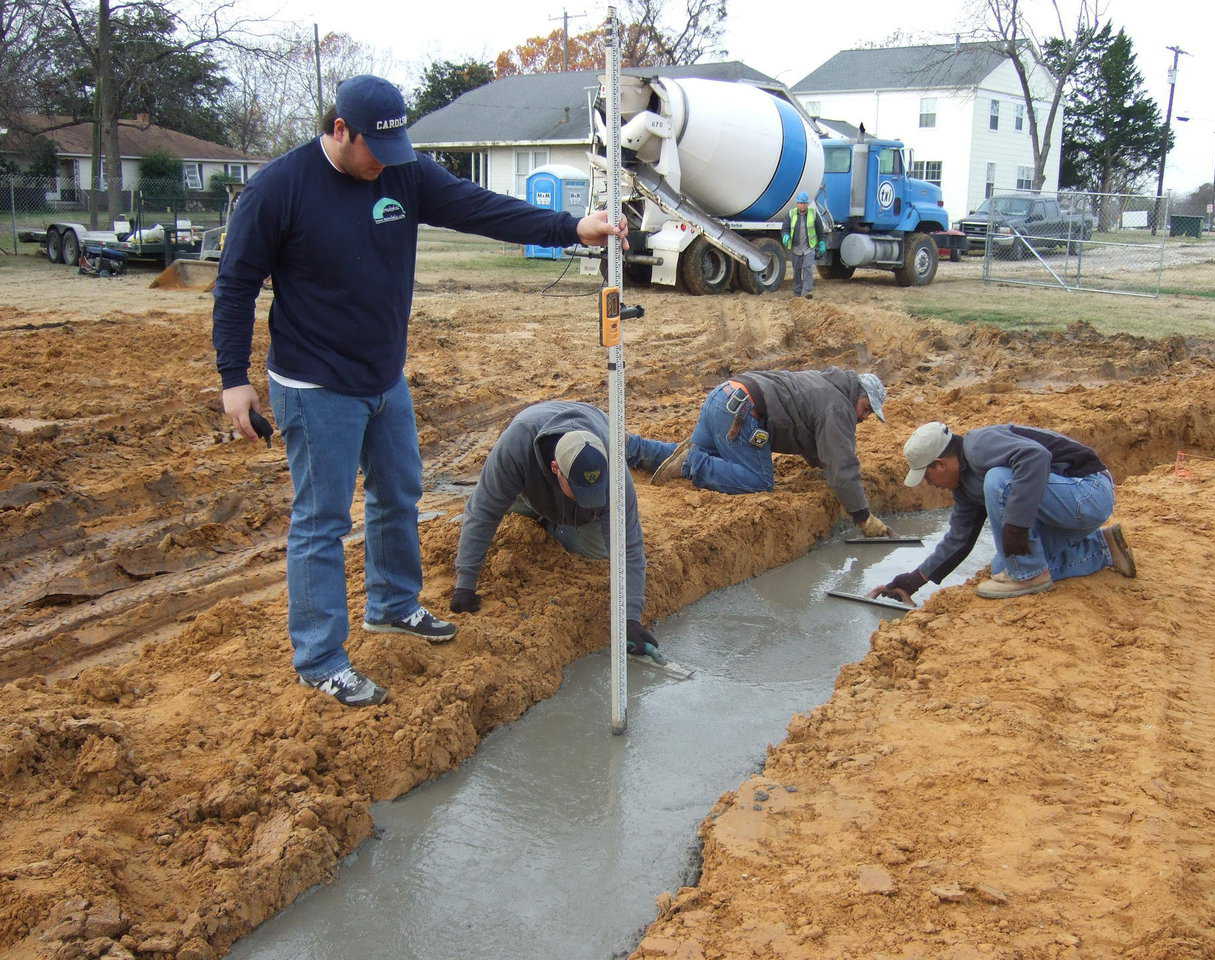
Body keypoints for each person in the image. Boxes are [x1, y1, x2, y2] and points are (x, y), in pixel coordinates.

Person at [212, 75, 627, 708]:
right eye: (375, 150)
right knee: (322, 521)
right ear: (340, 130)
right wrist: (233, 380)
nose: (386, 162)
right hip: (314, 382)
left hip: (383, 375)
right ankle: (320, 659)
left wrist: (571, 227)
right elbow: (236, 284)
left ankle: (393, 604)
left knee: (398, 491)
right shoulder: (279, 189)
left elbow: (480, 208)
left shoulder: (400, 173)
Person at [449, 401, 659, 656]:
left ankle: (556, 522)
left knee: (599, 549)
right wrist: (465, 584)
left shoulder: (613, 467)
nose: (588, 496)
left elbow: (628, 544)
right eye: (581, 492)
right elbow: (483, 512)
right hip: (529, 486)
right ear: (555, 469)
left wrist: (630, 618)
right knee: (491, 503)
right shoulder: (516, 446)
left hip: (582, 476)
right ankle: (538, 510)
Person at [870, 421, 1137, 603]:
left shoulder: (978, 446)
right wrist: (913, 580)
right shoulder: (964, 488)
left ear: (939, 464)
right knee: (1002, 567)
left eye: (927, 476)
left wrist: (1016, 526)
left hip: (1088, 492)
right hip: (1066, 508)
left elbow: (1035, 457)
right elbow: (958, 540)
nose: (929, 484)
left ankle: (1030, 576)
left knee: (999, 479)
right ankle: (1103, 548)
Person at [627, 370, 893, 538]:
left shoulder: (825, 384)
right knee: (758, 481)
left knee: (697, 454)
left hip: (724, 395)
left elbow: (820, 446)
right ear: (856, 395)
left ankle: (631, 448)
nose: (863, 417)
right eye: (866, 408)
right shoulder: (839, 407)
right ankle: (690, 463)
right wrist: (862, 515)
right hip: (743, 413)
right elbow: (841, 463)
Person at [780, 191, 826, 298]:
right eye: (800, 203)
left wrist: (822, 242)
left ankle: (806, 293)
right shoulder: (791, 214)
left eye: (804, 203)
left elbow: (820, 231)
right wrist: (785, 236)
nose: (802, 205)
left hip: (809, 248)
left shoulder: (813, 214)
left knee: (808, 269)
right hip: (796, 248)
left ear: (807, 204)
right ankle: (797, 293)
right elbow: (785, 228)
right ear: (797, 203)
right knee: (797, 271)